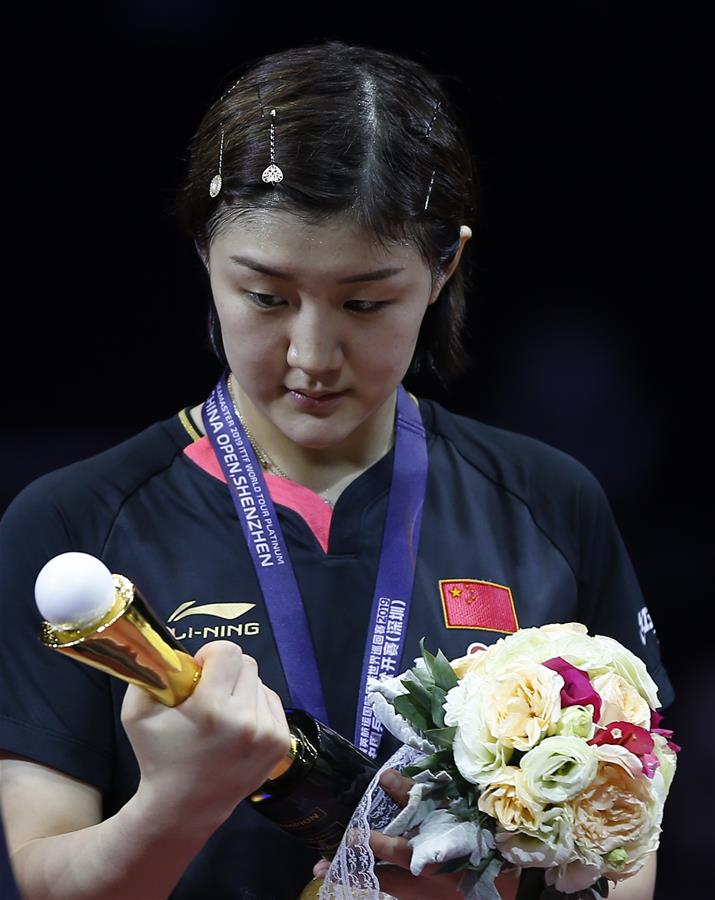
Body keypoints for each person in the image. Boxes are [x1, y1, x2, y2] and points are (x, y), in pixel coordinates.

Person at [0, 40, 673, 900]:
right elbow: (42, 877)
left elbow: (629, 858)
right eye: (267, 297)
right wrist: (175, 802)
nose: (313, 355)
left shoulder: (549, 503)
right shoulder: (71, 525)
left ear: (443, 269)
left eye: (365, 303)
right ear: (204, 254)